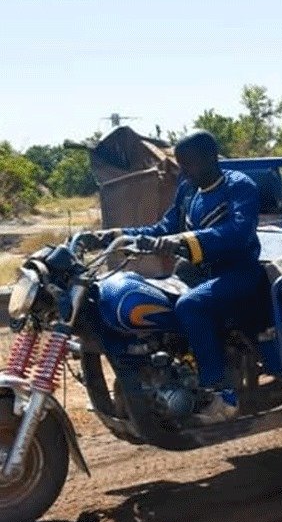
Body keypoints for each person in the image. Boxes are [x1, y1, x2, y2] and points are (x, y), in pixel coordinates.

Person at [80, 130, 268, 425]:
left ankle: (223, 394)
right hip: (194, 273)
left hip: (239, 272)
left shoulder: (238, 186)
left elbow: (239, 232)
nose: (184, 171)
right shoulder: (188, 190)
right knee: (149, 297)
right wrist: (112, 236)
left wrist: (185, 240)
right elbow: (163, 227)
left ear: (211, 158)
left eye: (190, 164)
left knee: (191, 306)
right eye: (181, 164)